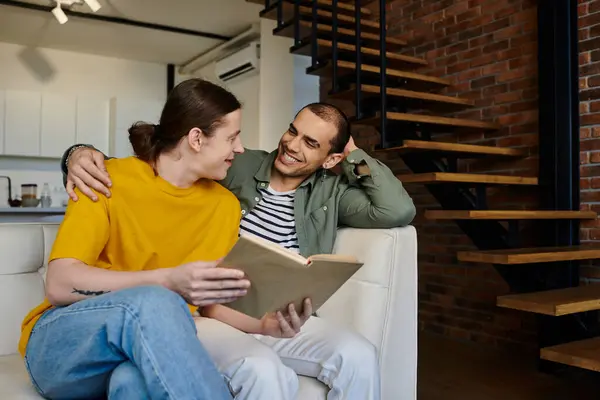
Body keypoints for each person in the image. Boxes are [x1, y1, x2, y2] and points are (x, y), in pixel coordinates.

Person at [61, 101, 416, 400]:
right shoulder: (242, 164)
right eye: (293, 131)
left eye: (311, 143)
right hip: (218, 306)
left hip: (280, 313)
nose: (292, 145)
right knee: (261, 369)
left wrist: (353, 154)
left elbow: (396, 210)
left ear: (329, 158)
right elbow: (168, 159)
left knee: (359, 356)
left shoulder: (333, 192)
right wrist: (77, 154)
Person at [19, 78, 310, 400]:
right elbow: (60, 284)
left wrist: (265, 325)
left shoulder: (224, 206)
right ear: (197, 139)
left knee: (132, 385)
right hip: (64, 346)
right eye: (232, 137)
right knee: (157, 300)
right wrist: (169, 281)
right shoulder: (106, 179)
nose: (240, 149)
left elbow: (209, 303)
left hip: (136, 352)